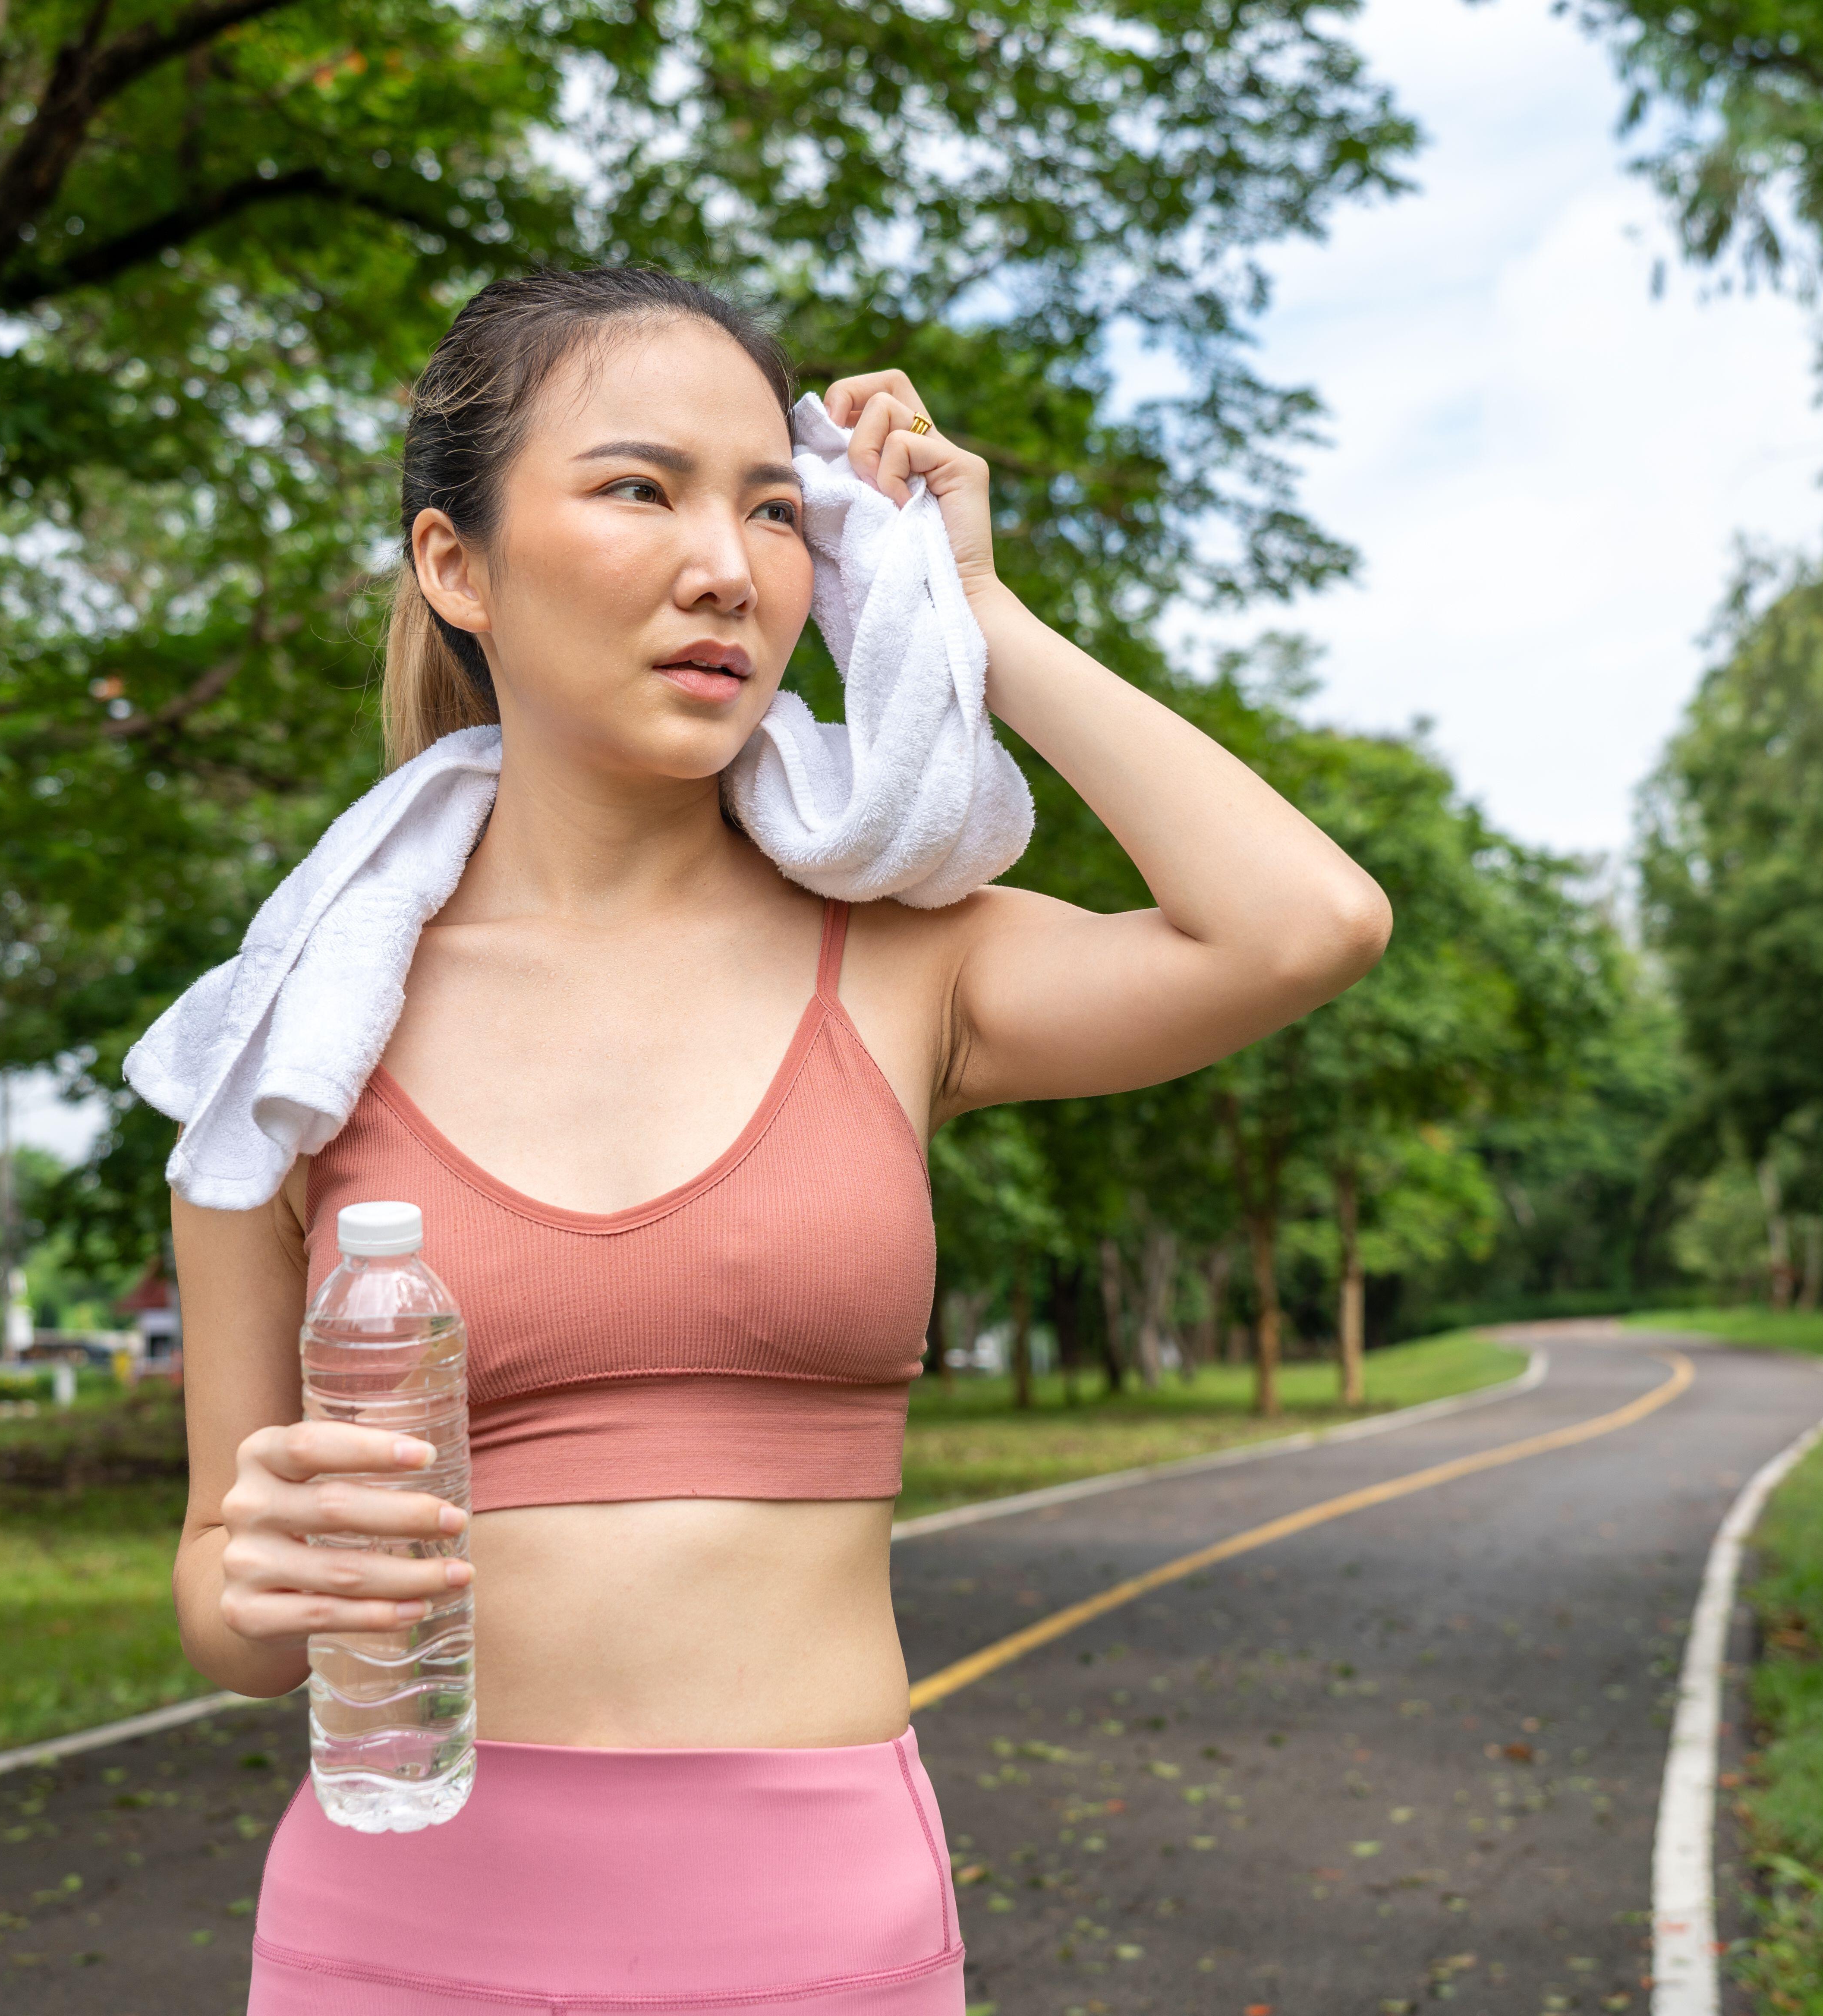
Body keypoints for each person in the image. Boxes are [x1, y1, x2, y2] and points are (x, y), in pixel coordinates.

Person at [171, 265, 1389, 2015]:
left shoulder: (907, 958)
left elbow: (1307, 925)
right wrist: (266, 1573)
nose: (726, 566)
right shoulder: (294, 1038)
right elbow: (225, 1608)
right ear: (458, 567)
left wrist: (973, 607)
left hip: (815, 1939)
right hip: (392, 1940)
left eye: (774, 507)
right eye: (637, 487)